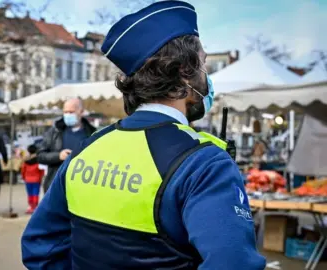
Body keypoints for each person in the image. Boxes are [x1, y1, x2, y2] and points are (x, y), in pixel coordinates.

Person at [21, 1, 266, 269]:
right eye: (203, 64)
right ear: (185, 72)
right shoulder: (206, 163)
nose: (206, 77)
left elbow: (39, 245)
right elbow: (234, 262)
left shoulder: (88, 148)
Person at [37, 97, 96, 193]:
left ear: (81, 112)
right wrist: (58, 156)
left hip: (80, 187)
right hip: (56, 186)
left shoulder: (91, 133)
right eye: (65, 112)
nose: (67, 115)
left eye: (71, 112)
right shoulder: (54, 131)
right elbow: (40, 156)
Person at [21, 144, 44, 214]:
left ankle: (30, 207)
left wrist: (24, 177)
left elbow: (23, 171)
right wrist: (40, 177)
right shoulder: (38, 160)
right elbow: (41, 170)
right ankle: (35, 207)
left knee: (30, 194)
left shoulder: (26, 161)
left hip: (28, 180)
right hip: (36, 180)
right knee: (35, 193)